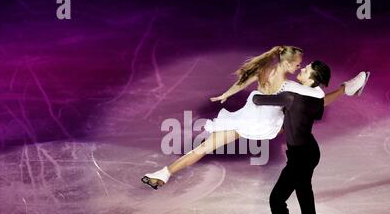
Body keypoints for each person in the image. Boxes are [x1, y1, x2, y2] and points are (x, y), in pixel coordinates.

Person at [141, 46, 369, 189]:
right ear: (288, 63)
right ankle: (346, 89)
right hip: (260, 122)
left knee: (203, 148)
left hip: (250, 118)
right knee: (303, 107)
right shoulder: (290, 85)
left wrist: (226, 94)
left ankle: (164, 174)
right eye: (299, 64)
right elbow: (318, 95)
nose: (300, 67)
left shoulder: (266, 70)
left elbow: (243, 81)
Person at [252, 61, 370, 214]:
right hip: (309, 152)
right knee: (304, 192)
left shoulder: (290, 96)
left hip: (300, 156)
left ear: (312, 80)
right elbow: (303, 112)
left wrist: (267, 80)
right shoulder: (315, 100)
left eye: (306, 70)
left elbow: (258, 100)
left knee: (276, 200)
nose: (301, 69)